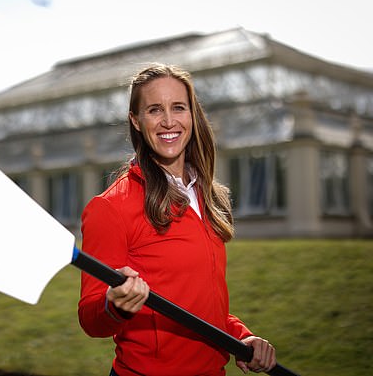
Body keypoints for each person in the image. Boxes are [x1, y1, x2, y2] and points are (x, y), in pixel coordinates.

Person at [78, 63, 276, 376]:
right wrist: (113, 305)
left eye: (178, 107)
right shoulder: (110, 208)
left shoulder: (206, 195)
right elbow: (91, 318)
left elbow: (198, 303)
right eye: (155, 109)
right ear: (137, 121)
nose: (169, 121)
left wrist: (241, 336)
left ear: (192, 116)